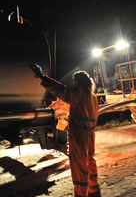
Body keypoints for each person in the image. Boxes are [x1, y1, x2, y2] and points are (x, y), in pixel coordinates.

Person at [30, 64, 101, 197]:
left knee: (79, 167)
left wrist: (42, 76)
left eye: (75, 82)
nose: (74, 84)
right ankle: (95, 192)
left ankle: (80, 194)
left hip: (79, 135)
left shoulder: (79, 94)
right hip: (90, 134)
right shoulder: (93, 96)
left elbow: (60, 90)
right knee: (89, 161)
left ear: (78, 82)